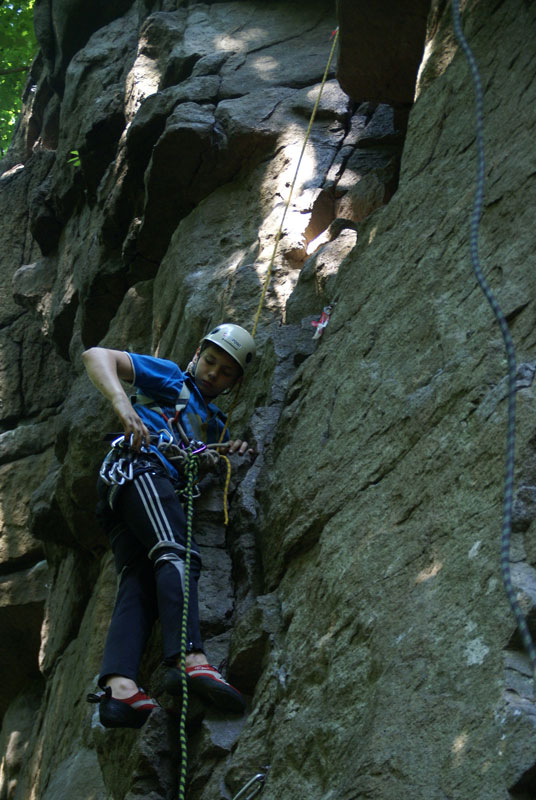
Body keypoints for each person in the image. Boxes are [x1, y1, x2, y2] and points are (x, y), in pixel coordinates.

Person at [84, 323, 255, 729]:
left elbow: (197, 458)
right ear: (198, 354)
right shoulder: (170, 378)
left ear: (236, 382)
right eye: (210, 360)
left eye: (225, 371)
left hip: (125, 490)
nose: (213, 372)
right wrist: (123, 405)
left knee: (139, 578)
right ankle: (190, 658)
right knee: (177, 551)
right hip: (138, 468)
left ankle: (120, 688)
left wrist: (223, 451)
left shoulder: (215, 425)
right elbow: (96, 355)